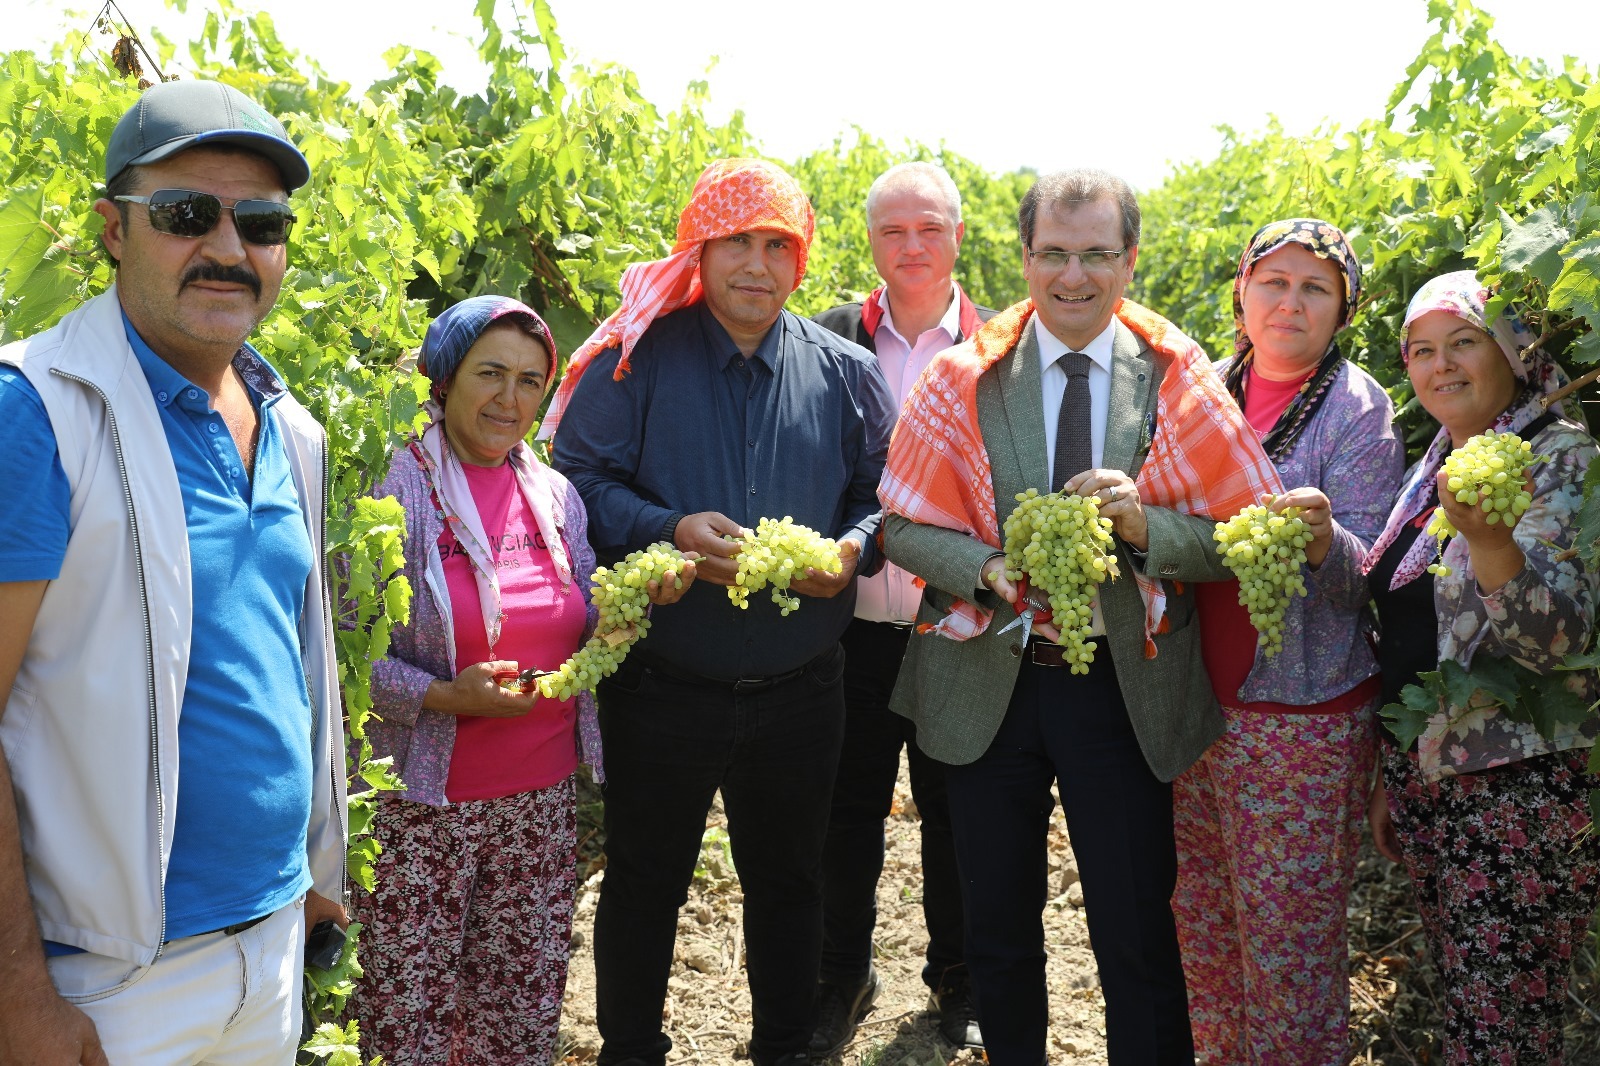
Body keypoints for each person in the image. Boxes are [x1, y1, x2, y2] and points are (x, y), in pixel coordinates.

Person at [879, 168, 1281, 1066]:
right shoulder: (960, 377)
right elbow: (901, 526)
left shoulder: (1178, 378)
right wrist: (983, 567)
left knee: (1138, 931)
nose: (1073, 276)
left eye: (1096, 254)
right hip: (989, 684)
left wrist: (1148, 524)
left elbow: (1245, 535)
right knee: (999, 932)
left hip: (1120, 692)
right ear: (1023, 258)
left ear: (1129, 259)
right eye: (1054, 254)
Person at [0, 80, 346, 1064]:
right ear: (114, 229)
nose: (231, 249)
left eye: (263, 222)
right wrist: (17, 991)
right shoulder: (38, 417)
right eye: (189, 214)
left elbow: (290, 664)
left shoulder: (292, 430)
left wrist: (312, 864)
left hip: (271, 953)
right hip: (108, 982)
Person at [548, 158, 895, 1066]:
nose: (757, 263)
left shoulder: (847, 373)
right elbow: (578, 480)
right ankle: (632, 1051)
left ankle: (781, 1048)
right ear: (699, 251)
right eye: (737, 241)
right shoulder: (636, 360)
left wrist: (852, 551)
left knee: (789, 881)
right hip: (665, 685)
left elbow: (882, 495)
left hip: (803, 689)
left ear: (801, 260)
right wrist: (668, 529)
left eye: (777, 244)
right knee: (645, 881)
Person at [345, 296, 692, 1064]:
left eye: (531, 381)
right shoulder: (392, 487)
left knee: (517, 1021)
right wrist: (440, 696)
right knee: (406, 1027)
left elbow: (579, 617)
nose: (511, 399)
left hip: (538, 807)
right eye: (490, 373)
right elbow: (337, 652)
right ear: (444, 376)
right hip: (420, 813)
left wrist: (629, 608)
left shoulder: (553, 493)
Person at [1169, 219, 1404, 1063]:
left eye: (1316, 287)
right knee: (1206, 931)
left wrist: (1322, 540)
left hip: (1299, 722)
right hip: (1196, 709)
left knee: (1289, 956)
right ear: (1243, 292)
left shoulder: (1357, 408)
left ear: (1342, 308)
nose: (1291, 301)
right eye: (1274, 281)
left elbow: (1374, 578)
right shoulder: (1201, 391)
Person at [1365, 270, 1600, 1064]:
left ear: (1514, 350)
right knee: (1473, 1014)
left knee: (1504, 1029)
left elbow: (1561, 641)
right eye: (1422, 350)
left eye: (1464, 341)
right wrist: (1397, 772)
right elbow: (1408, 626)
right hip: (1437, 781)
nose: (1441, 366)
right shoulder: (1434, 460)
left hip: (1520, 790)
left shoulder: (1561, 459)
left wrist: (1494, 544)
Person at [808, 161, 992, 1055]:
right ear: (870, 240)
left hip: (960, 625)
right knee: (843, 811)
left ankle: (959, 979)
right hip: (849, 628)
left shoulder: (1003, 345)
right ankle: (841, 974)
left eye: (929, 228)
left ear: (960, 235)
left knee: (957, 809)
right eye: (892, 231)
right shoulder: (824, 340)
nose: (911, 247)